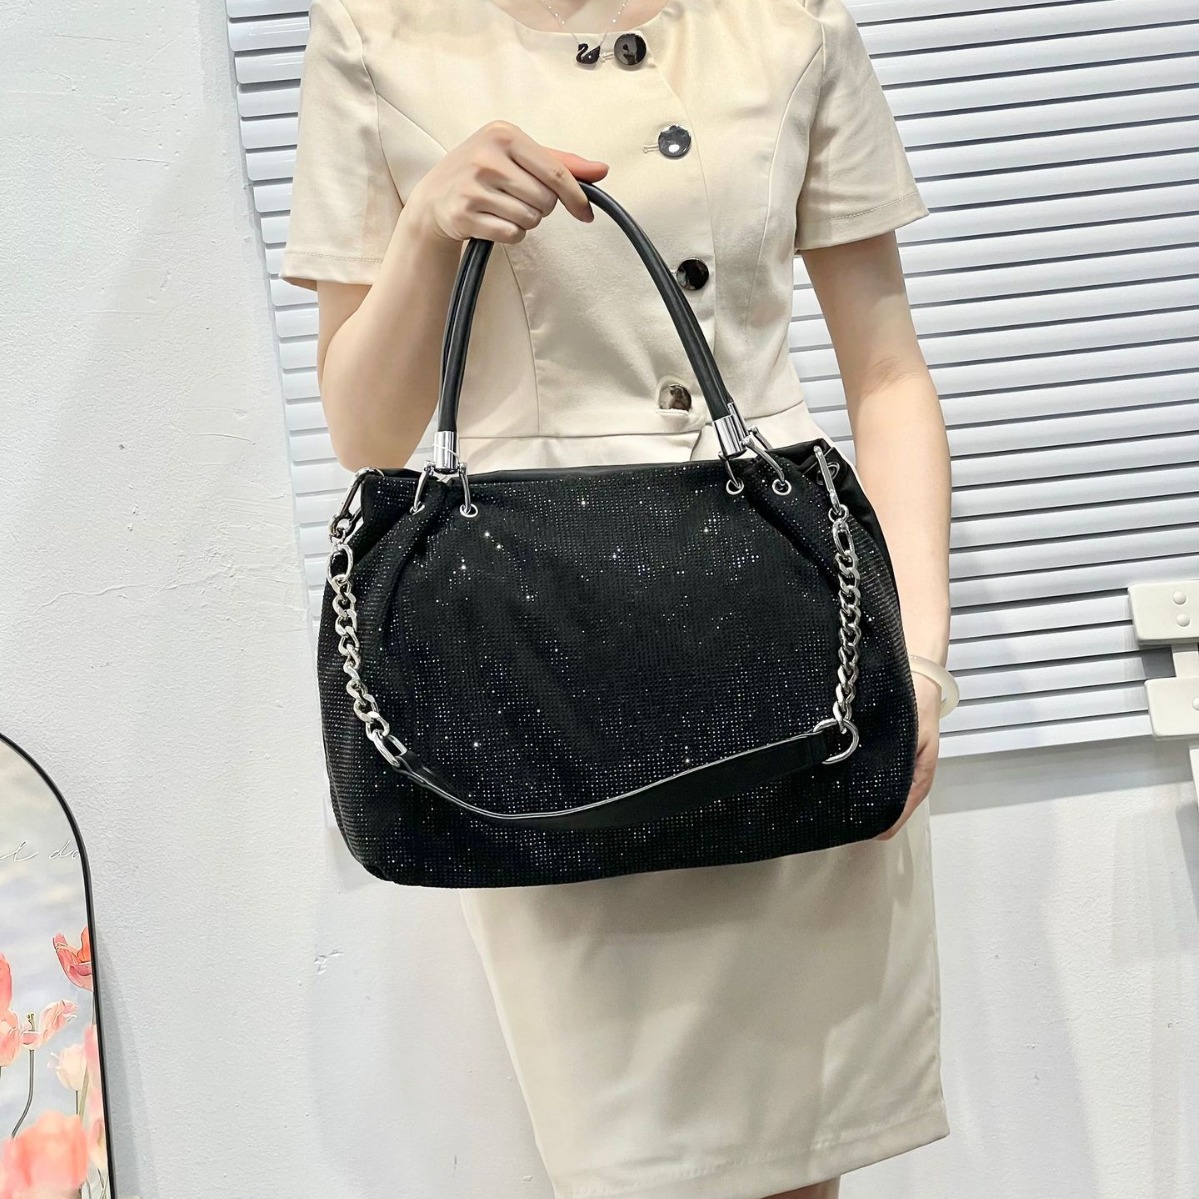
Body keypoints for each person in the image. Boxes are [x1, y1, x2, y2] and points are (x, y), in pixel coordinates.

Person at [281, 0, 954, 1195]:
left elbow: (887, 372)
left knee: (804, 1166)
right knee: (639, 1165)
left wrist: (920, 665)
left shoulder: (784, 26)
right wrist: (429, 226)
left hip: (793, 654)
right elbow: (365, 435)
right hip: (549, 683)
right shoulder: (380, 38)